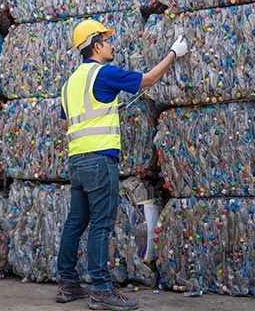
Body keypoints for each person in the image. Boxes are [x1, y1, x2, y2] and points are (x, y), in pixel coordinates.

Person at [56, 19, 189, 310]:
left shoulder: (70, 83)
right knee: (102, 225)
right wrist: (173, 53)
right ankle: (102, 291)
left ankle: (67, 284)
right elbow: (148, 80)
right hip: (100, 160)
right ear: (97, 45)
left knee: (76, 222)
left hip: (77, 161)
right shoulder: (103, 73)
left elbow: (66, 122)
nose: (112, 44)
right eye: (107, 40)